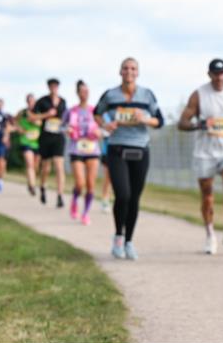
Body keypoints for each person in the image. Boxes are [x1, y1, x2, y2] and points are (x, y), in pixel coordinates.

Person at [178, 58, 223, 254]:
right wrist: (199, 125)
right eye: (215, 74)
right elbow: (182, 122)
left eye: (222, 74)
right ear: (209, 74)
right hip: (205, 153)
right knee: (208, 195)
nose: (219, 78)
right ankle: (210, 235)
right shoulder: (199, 95)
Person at [94, 57, 164, 260]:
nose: (129, 71)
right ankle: (118, 236)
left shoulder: (147, 95)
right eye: (125, 68)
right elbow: (96, 113)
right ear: (120, 71)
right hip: (117, 148)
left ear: (138, 72)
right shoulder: (111, 95)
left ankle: (129, 241)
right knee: (122, 195)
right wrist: (105, 125)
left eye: (133, 68)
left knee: (134, 198)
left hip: (140, 149)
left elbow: (159, 120)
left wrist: (145, 119)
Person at [64, 80, 102, 225]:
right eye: (82, 91)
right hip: (77, 149)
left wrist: (100, 131)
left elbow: (104, 127)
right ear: (77, 93)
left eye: (87, 91)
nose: (84, 94)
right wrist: (67, 130)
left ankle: (85, 213)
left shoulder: (95, 111)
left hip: (93, 149)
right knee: (80, 183)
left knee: (91, 184)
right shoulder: (71, 111)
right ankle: (74, 199)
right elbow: (61, 126)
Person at [34, 78, 67, 208]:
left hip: (58, 136)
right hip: (45, 137)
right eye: (51, 86)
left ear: (58, 87)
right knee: (46, 168)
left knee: (59, 166)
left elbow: (66, 118)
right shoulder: (42, 101)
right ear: (48, 87)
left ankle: (60, 196)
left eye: (56, 86)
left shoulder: (63, 101)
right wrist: (46, 115)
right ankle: (42, 186)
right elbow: (32, 117)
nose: (54, 88)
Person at [15, 94, 42, 196]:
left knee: (35, 166)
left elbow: (41, 123)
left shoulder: (39, 112)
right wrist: (19, 129)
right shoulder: (22, 113)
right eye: (29, 101)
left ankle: (30, 182)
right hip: (26, 141)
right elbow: (14, 121)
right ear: (27, 102)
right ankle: (32, 186)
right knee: (29, 164)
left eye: (33, 101)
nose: (31, 103)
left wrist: (36, 120)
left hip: (37, 142)